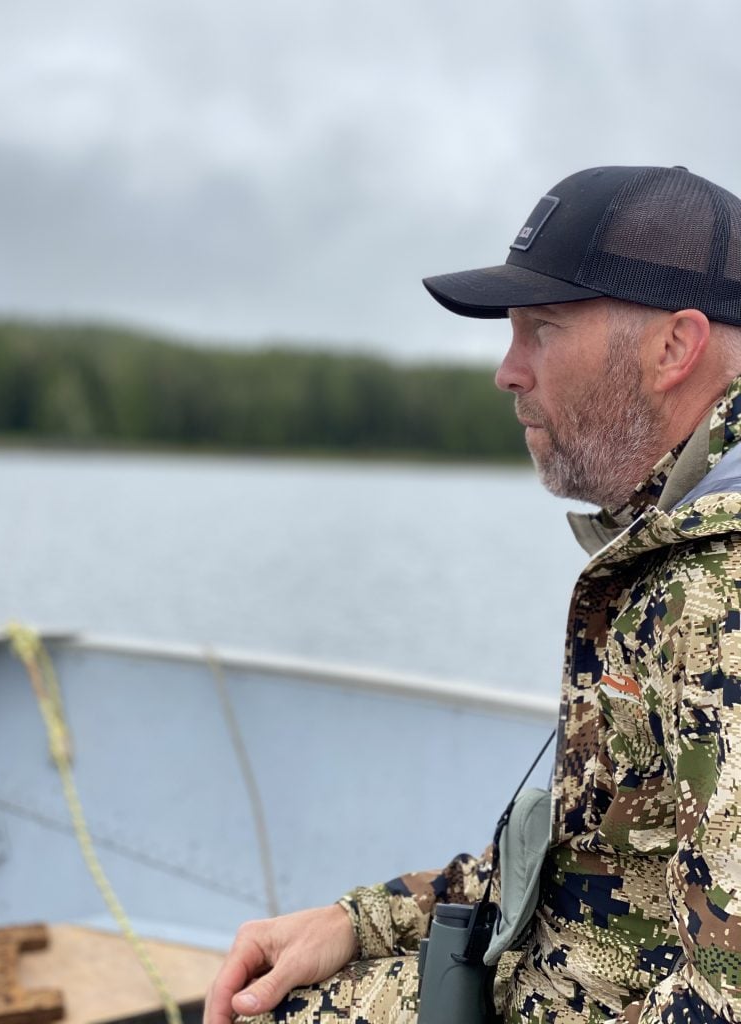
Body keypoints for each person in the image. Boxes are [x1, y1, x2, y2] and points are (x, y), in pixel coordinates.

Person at [205, 165, 741, 1024]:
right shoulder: (669, 546)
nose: (507, 371)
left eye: (543, 330)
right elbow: (587, 863)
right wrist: (362, 922)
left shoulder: (720, 592)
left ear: (675, 347)